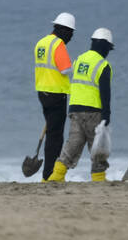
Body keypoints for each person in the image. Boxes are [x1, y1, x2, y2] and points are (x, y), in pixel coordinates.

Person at [49, 28, 113, 182]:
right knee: (97, 147)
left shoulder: (79, 60)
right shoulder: (103, 65)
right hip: (93, 111)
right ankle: (99, 178)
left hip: (75, 109)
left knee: (73, 143)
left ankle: (56, 176)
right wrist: (106, 114)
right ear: (105, 46)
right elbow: (105, 92)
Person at [34, 12, 76, 180]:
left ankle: (48, 173)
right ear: (64, 30)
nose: (71, 37)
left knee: (51, 132)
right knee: (55, 137)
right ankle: (49, 174)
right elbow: (65, 69)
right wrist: (73, 63)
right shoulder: (58, 44)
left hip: (42, 93)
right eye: (71, 33)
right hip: (56, 94)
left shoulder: (41, 43)